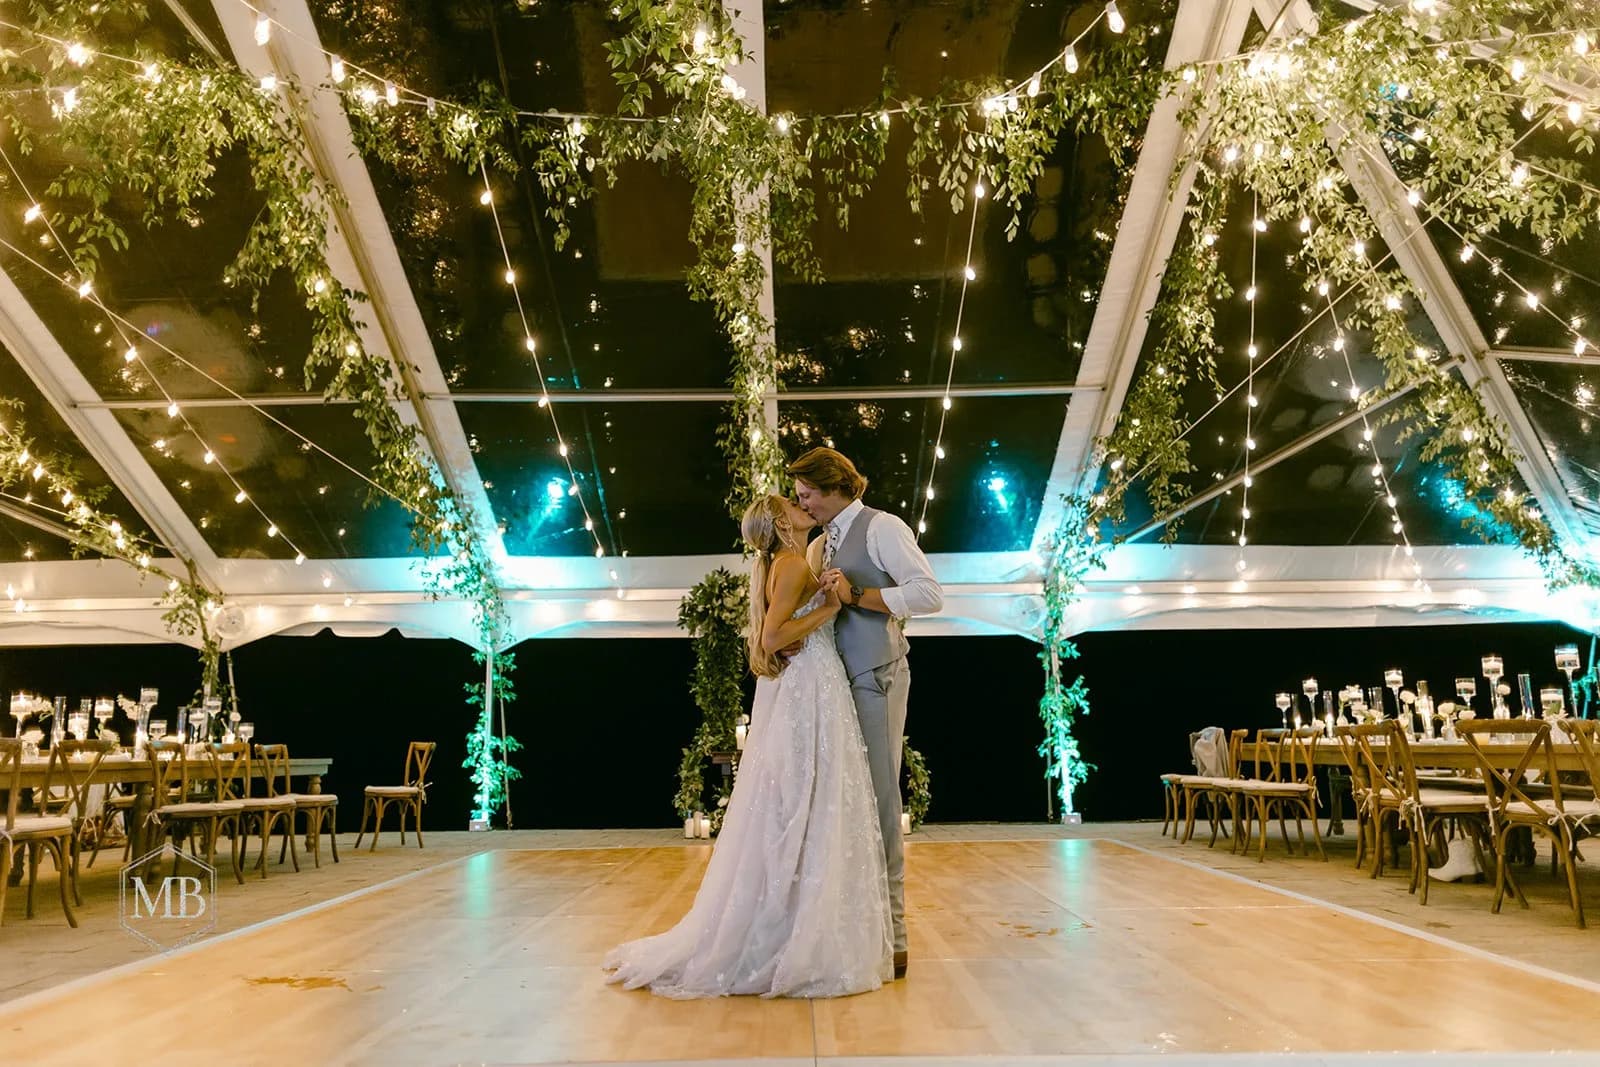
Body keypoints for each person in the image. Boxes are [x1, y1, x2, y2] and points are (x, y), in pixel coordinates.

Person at [603, 494, 893, 998]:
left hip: (811, 681)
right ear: (780, 522)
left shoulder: (788, 562)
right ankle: (791, 933)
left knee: (803, 796)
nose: (803, 506)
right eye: (793, 504)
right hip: (808, 684)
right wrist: (829, 607)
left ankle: (794, 922)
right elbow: (771, 638)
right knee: (805, 794)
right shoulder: (789, 564)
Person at [788, 446, 943, 980]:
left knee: (878, 799)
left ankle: (894, 936)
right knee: (842, 804)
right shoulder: (817, 543)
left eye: (807, 492)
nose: (801, 502)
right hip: (833, 686)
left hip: (876, 676)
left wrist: (858, 594)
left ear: (833, 486)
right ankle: (849, 928)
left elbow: (928, 594)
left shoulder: (883, 527)